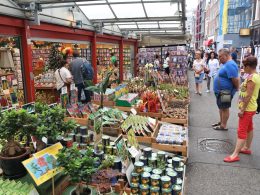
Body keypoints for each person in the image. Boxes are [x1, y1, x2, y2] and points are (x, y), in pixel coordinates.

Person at [224, 57, 260, 163]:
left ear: (249, 66)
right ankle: (246, 148)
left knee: (241, 130)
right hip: (250, 108)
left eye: (244, 66)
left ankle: (235, 154)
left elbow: (248, 96)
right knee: (249, 128)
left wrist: (242, 109)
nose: (243, 68)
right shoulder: (255, 75)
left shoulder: (252, 78)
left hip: (247, 109)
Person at [212, 49, 240, 130]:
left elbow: (235, 79)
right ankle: (221, 122)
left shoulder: (230, 65)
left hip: (226, 92)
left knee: (225, 108)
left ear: (226, 55)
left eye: (220, 56)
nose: (219, 58)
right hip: (222, 91)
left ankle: (223, 125)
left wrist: (236, 89)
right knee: (221, 107)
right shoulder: (227, 64)